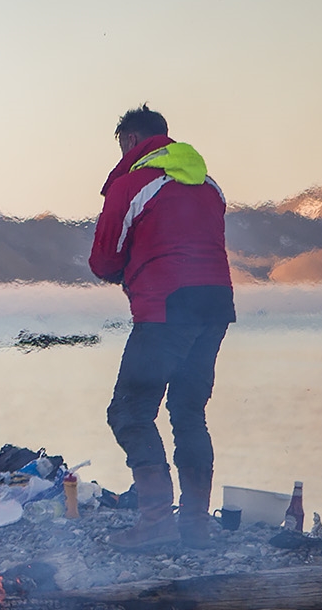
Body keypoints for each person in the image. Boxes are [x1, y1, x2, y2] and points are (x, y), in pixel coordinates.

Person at [89, 105, 235, 550]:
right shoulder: (209, 185)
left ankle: (154, 523)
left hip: (167, 307)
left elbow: (103, 259)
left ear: (131, 142)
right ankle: (194, 526)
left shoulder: (133, 183)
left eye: (121, 146)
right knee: (189, 411)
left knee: (130, 412)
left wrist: (128, 271)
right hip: (215, 305)